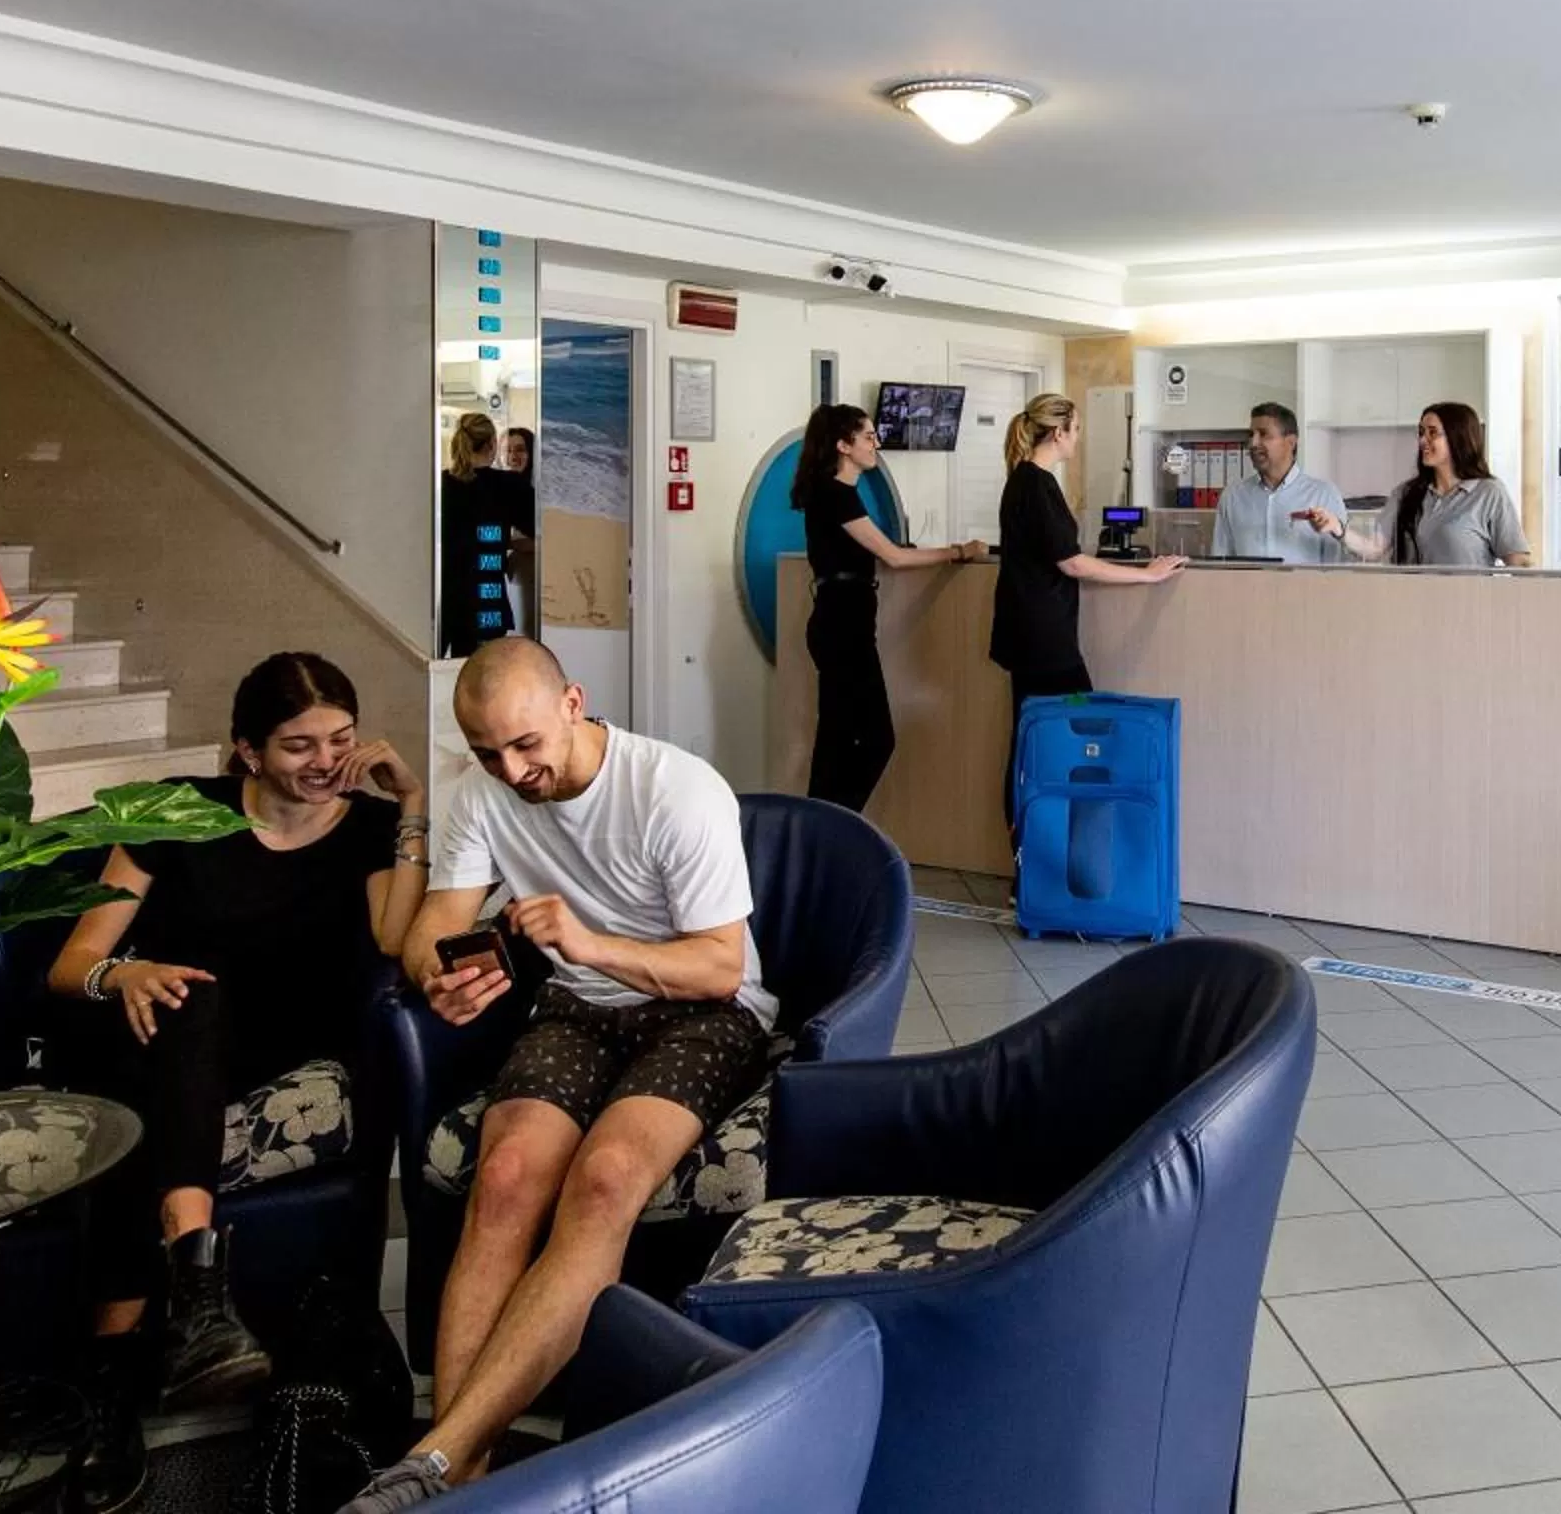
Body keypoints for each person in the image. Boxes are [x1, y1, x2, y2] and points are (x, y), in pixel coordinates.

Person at [344, 640, 775, 1512]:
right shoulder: (481, 796)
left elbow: (719, 970)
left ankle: (432, 1462)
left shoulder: (677, 790)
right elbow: (434, 925)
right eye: (488, 753)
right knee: (502, 1178)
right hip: (578, 1010)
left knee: (607, 1177)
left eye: (527, 744)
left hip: (703, 1012)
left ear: (573, 703)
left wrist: (584, 943)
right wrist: (444, 976)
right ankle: (458, 1467)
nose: (514, 770)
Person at [46, 653, 429, 1508]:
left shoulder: (368, 828)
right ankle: (194, 1295)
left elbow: (399, 938)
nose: (326, 761)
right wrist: (127, 977)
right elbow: (74, 963)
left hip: (281, 1052)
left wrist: (411, 805)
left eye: (340, 738)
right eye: (299, 745)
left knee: (142, 1119)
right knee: (191, 1001)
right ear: (248, 752)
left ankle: (111, 1379)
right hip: (161, 1027)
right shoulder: (178, 814)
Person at [790, 403, 986, 811]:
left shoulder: (837, 494)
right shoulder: (836, 494)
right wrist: (958, 551)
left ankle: (822, 830)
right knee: (876, 739)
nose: (875, 443)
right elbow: (894, 557)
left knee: (837, 739)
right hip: (842, 629)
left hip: (842, 624)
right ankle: (839, 825)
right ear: (843, 445)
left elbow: (870, 551)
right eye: (867, 436)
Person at [992, 391, 1185, 726]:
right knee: (1076, 714)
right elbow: (1073, 562)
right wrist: (1147, 575)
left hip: (1032, 635)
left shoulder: (1024, 481)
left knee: (1034, 728)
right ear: (1058, 433)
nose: (1078, 438)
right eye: (1076, 429)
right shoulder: (1037, 485)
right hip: (1044, 641)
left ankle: (1023, 781)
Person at [1300, 401, 1533, 567]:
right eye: (1421, 432)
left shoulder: (1488, 493)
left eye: (1433, 433)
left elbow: (1518, 561)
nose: (1423, 440)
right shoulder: (1406, 493)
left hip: (1469, 614)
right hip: (1411, 611)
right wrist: (1337, 528)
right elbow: (1374, 548)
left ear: (1458, 437)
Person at [440, 413, 536, 656]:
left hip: (450, 603)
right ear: (493, 444)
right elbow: (541, 533)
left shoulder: (444, 484)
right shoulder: (508, 485)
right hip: (488, 603)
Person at [1212, 401, 1350, 564]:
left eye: (1263, 434)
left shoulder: (1323, 495)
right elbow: (1219, 564)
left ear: (1290, 442)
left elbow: (1336, 569)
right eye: (1251, 435)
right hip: (1247, 589)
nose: (1253, 443)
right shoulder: (1233, 497)